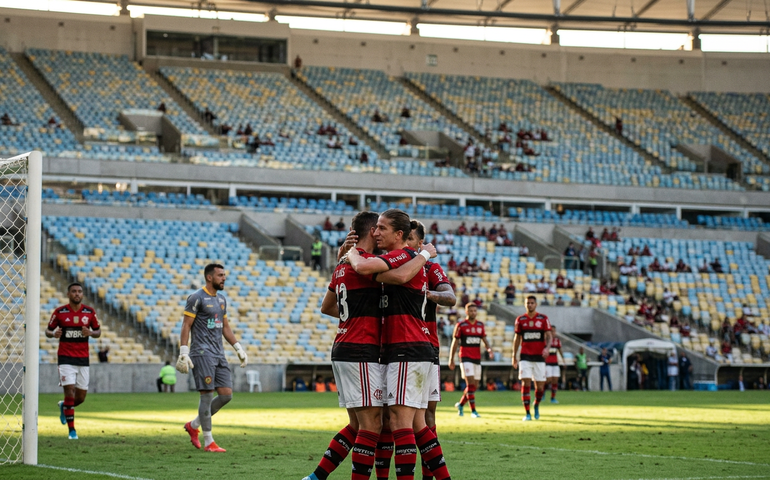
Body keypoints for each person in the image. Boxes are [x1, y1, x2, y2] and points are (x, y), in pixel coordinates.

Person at [346, 209, 451, 480]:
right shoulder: (396, 259)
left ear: (399, 235)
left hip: (408, 346)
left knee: (400, 422)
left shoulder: (406, 257)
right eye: (376, 227)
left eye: (382, 228)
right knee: (415, 423)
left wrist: (353, 254)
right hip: (401, 349)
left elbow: (385, 274)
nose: (376, 233)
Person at [378, 220, 456, 480]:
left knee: (423, 418)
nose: (406, 246)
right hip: (392, 348)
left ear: (420, 244)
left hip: (423, 348)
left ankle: (427, 476)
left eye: (410, 241)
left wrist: (427, 294)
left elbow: (450, 297)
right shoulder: (391, 263)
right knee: (395, 419)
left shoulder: (430, 267)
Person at [178, 263, 248, 453]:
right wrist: (184, 351)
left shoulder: (222, 300)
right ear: (209, 277)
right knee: (207, 396)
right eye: (220, 275)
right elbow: (186, 325)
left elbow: (225, 327)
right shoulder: (196, 298)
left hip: (219, 353)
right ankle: (209, 441)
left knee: (226, 395)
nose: (224, 278)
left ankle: (193, 425)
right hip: (202, 353)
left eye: (224, 275)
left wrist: (238, 347)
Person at [45, 282, 101, 440]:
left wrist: (90, 332)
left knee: (80, 398)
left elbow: (98, 331)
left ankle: (64, 406)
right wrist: (53, 333)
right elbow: (48, 330)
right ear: (68, 294)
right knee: (69, 392)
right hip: (65, 358)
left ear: (82, 295)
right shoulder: (60, 312)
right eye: (74, 291)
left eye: (79, 291)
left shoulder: (89, 312)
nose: (77, 294)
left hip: (83, 359)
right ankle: (72, 431)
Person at [448, 303, 493, 418]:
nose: (473, 313)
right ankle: (473, 411)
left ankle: (461, 405)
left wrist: (489, 349)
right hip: (465, 358)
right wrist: (451, 358)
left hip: (477, 358)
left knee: (474, 387)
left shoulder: (480, 325)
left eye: (474, 311)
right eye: (471, 311)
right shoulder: (461, 325)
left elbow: (484, 339)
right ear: (466, 312)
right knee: (471, 384)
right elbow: (455, 342)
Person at [512, 296, 553, 421]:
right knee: (525, 383)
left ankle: (536, 404)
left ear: (536, 304)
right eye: (527, 303)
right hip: (525, 356)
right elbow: (517, 339)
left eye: (532, 303)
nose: (530, 305)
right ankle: (527, 413)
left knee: (540, 387)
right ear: (525, 305)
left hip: (539, 357)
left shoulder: (543, 319)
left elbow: (549, 336)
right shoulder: (520, 320)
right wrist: (514, 355)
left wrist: (547, 348)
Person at [545, 326, 563, 403]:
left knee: (555, 380)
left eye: (554, 331)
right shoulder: (545, 340)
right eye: (551, 331)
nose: (553, 333)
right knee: (548, 380)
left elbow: (560, 351)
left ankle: (553, 398)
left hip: (555, 363)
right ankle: (542, 393)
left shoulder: (557, 341)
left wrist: (563, 361)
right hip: (547, 363)